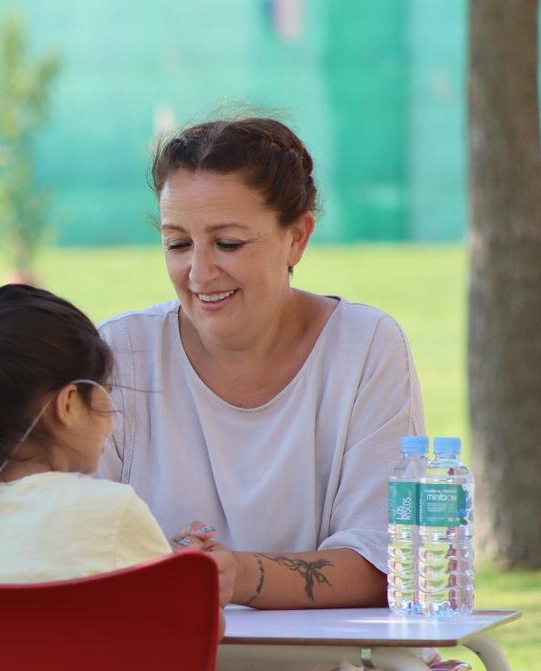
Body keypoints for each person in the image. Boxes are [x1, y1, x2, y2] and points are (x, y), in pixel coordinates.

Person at [98, 117, 426, 613]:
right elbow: (69, 540)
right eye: (178, 244)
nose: (199, 272)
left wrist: (237, 574)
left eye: (228, 243)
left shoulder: (364, 346)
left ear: (297, 237)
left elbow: (387, 566)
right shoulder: (122, 350)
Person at [0, 284, 173, 585]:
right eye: (107, 391)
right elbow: (185, 624)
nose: (113, 415)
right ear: (69, 404)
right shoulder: (113, 511)